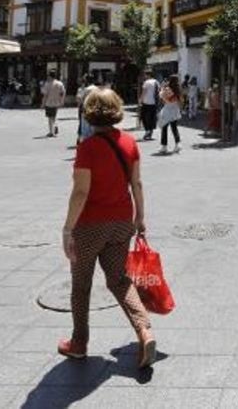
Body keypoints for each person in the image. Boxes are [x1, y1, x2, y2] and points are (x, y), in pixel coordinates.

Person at [58, 87, 156, 368]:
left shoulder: (87, 148)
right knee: (119, 279)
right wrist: (140, 216)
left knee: (81, 285)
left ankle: (79, 343)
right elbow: (136, 183)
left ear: (89, 113)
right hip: (122, 221)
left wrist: (67, 230)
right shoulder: (129, 142)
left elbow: (80, 193)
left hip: (89, 226)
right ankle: (144, 330)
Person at [156, 75, 183, 154]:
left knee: (164, 128)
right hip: (175, 109)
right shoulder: (178, 90)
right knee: (174, 128)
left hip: (168, 109)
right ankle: (178, 144)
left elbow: (163, 98)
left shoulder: (168, 89)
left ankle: (164, 146)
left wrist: (162, 90)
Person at [41, 70, 66, 137]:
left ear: (49, 76)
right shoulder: (60, 83)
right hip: (56, 102)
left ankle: (51, 132)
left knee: (50, 117)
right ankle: (55, 126)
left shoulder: (47, 84)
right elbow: (63, 92)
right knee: (54, 116)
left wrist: (43, 104)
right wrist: (62, 101)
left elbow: (45, 95)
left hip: (49, 103)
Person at [76, 73, 98, 145]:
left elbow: (81, 99)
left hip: (85, 109)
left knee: (85, 127)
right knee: (93, 126)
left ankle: (84, 142)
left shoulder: (86, 89)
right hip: (95, 108)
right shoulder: (97, 88)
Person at [139, 73, 160, 141]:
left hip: (146, 102)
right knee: (152, 118)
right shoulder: (156, 82)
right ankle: (150, 132)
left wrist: (140, 100)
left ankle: (147, 130)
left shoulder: (146, 82)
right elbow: (159, 92)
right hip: (154, 103)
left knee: (144, 116)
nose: (144, 76)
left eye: (145, 75)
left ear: (148, 75)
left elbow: (144, 92)